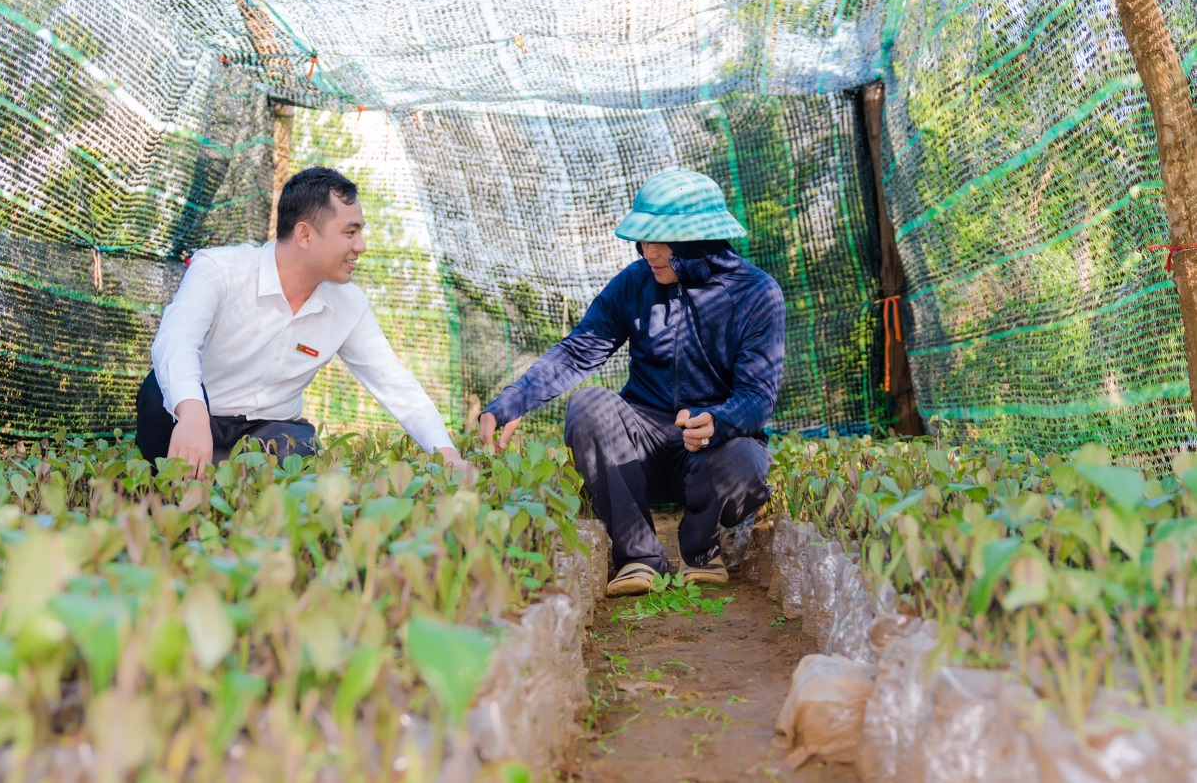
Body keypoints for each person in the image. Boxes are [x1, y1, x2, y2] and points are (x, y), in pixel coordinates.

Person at [478, 169, 784, 596]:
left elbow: (757, 397)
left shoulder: (756, 294)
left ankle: (702, 548)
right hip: (640, 453)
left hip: (710, 447)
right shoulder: (633, 283)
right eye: (643, 241)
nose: (649, 252)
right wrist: (508, 403)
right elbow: (576, 351)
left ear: (700, 241)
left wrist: (719, 420)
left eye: (661, 242)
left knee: (745, 463)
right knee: (588, 404)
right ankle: (638, 555)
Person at [137, 166, 467, 471]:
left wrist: (447, 453)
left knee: (298, 449)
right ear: (305, 235)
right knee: (157, 394)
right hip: (195, 416)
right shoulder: (220, 270)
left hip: (270, 431)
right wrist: (191, 412)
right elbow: (175, 340)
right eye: (350, 232)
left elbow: (394, 382)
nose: (361, 246)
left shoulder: (349, 305)